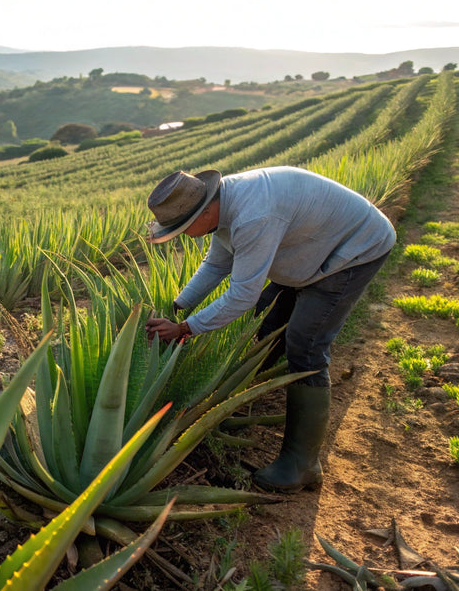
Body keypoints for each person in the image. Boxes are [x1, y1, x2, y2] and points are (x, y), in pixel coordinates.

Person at [142, 167, 395, 492]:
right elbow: (217, 264)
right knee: (268, 315)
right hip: (311, 248)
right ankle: (266, 390)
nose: (183, 235)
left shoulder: (252, 215)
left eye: (182, 229)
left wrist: (183, 328)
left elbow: (242, 296)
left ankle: (302, 465)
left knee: (306, 344)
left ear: (203, 211)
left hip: (354, 248)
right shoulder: (222, 206)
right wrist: (178, 307)